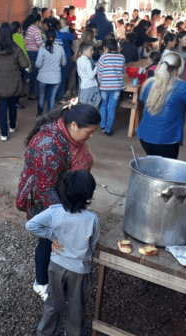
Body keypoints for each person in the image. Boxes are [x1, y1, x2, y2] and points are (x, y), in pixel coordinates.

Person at [16, 103, 100, 301]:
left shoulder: (67, 136)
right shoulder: (49, 145)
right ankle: (41, 282)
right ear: (73, 126)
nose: (91, 137)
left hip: (62, 192)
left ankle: (59, 272)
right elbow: (45, 189)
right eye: (89, 132)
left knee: (58, 240)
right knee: (48, 241)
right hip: (43, 198)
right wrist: (61, 223)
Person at [26, 170, 100, 336]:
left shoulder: (54, 211)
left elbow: (30, 225)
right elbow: (93, 245)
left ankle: (44, 332)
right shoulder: (92, 219)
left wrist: (52, 237)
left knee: (53, 303)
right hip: (79, 271)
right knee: (76, 307)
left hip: (56, 266)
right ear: (88, 195)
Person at [137, 52, 186, 159]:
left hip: (144, 136)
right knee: (165, 171)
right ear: (179, 69)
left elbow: (143, 101)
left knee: (153, 163)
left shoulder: (148, 83)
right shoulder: (183, 87)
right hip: (167, 140)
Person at [0, 22, 30, 141]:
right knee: (12, 105)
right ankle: (12, 125)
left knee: (2, 108)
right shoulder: (16, 48)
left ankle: (4, 134)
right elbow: (25, 63)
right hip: (14, 82)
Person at [96, 38, 125, 136]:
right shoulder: (121, 57)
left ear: (105, 47)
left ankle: (103, 125)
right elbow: (122, 71)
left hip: (104, 86)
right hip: (117, 87)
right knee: (111, 107)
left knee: (103, 105)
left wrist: (101, 82)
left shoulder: (103, 57)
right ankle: (109, 130)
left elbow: (99, 72)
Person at [35, 29, 67, 116]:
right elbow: (64, 63)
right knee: (51, 98)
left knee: (41, 96)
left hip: (43, 77)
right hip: (56, 78)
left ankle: (39, 115)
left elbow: (37, 65)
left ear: (45, 37)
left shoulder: (42, 49)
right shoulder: (60, 48)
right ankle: (50, 116)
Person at [24, 13, 44, 99]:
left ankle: (29, 91)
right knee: (35, 74)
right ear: (37, 21)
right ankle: (33, 93)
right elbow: (39, 43)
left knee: (30, 72)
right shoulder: (35, 29)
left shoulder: (27, 28)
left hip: (28, 51)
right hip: (35, 53)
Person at [76, 42, 100, 109]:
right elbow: (91, 75)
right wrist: (97, 67)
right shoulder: (87, 61)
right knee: (92, 107)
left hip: (83, 85)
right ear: (85, 51)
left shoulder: (78, 60)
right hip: (90, 86)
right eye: (90, 50)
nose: (92, 52)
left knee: (82, 106)